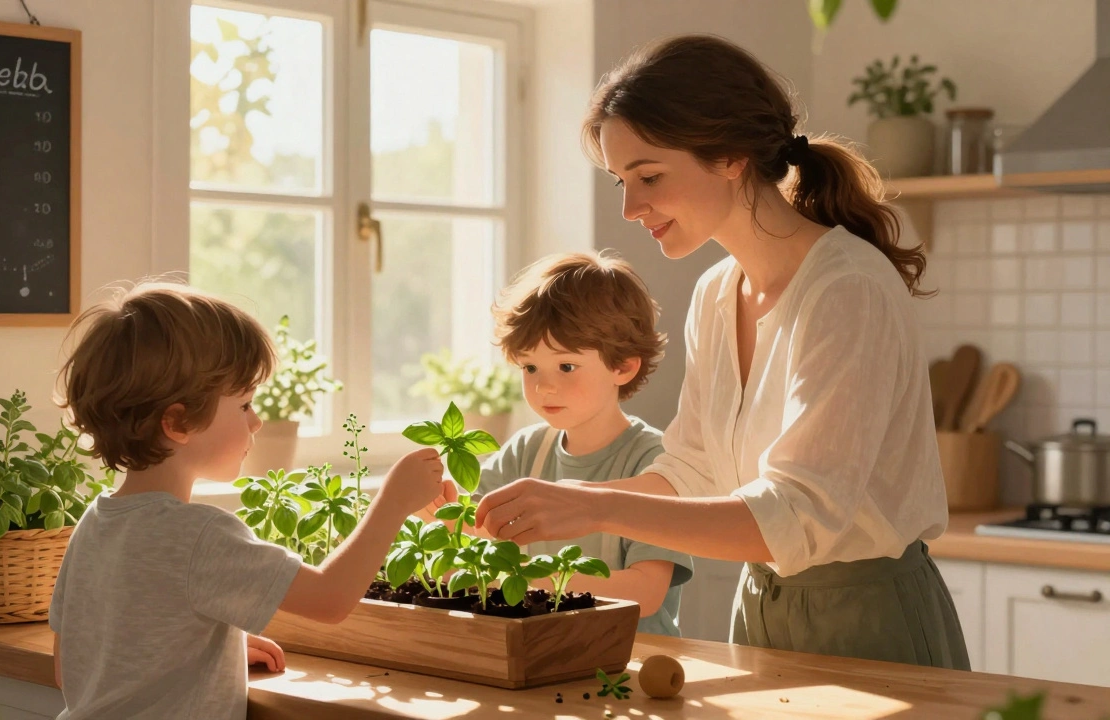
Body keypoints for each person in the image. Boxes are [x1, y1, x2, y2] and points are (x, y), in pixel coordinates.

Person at [474, 34, 969, 669]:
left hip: (869, 622)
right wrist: (531, 510)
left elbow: (794, 516)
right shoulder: (717, 292)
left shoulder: (847, 290)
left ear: (731, 156)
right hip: (759, 607)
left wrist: (590, 505)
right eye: (621, 181)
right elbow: (693, 472)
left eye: (648, 176)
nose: (629, 207)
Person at [49, 282, 444, 719]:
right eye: (244, 405)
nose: (256, 422)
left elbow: (69, 669)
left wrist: (208, 641)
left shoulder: (94, 522)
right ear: (178, 422)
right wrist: (392, 501)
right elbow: (330, 600)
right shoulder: (200, 534)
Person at [427, 251, 692, 635]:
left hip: (634, 660)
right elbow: (473, 529)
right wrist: (435, 511)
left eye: (566, 366)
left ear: (623, 366)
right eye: (529, 367)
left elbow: (646, 592)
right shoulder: (526, 450)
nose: (543, 386)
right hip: (544, 651)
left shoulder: (655, 463)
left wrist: (519, 577)